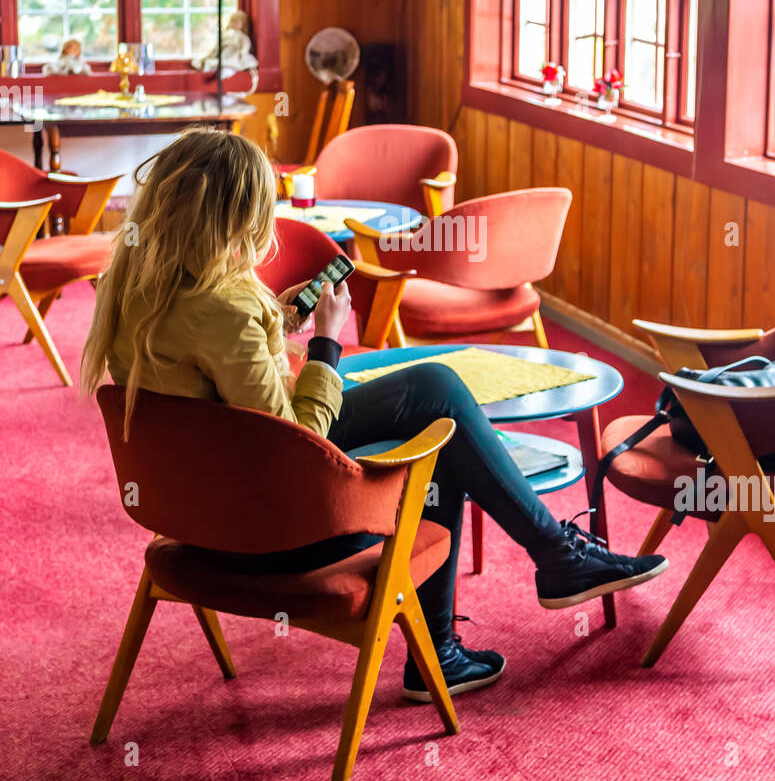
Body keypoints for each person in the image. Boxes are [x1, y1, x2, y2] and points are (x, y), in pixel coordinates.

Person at [82, 129, 667, 702]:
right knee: (438, 412)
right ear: (232, 217)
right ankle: (514, 591)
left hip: (194, 517)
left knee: (435, 411)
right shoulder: (225, 307)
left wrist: (273, 325)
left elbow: (211, 382)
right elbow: (298, 439)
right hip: (271, 532)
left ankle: (496, 608)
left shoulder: (134, 290)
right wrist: (327, 344)